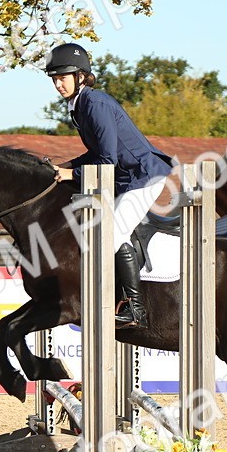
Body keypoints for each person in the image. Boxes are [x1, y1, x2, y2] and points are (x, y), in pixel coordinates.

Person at [45, 42, 172, 329]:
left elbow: (106, 161)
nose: (58, 84)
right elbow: (95, 154)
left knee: (111, 234)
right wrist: (66, 166)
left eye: (62, 78)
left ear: (80, 76)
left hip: (142, 177)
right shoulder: (79, 106)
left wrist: (72, 176)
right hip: (125, 178)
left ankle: (136, 309)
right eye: (54, 78)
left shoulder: (96, 105)